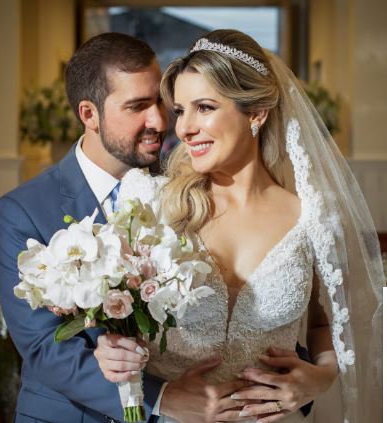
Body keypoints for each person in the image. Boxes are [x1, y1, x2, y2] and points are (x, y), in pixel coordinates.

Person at [0, 31, 314, 423]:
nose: (162, 121)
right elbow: (45, 347)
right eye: (137, 106)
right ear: (89, 114)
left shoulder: (178, 189)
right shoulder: (25, 211)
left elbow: (266, 318)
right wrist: (163, 398)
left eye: (162, 103)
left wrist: (312, 376)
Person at [96, 30, 383, 423]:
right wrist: (109, 349)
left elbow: (323, 322)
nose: (184, 128)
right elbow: (117, 321)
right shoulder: (152, 204)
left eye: (205, 107)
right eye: (180, 110)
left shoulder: (312, 217)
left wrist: (321, 376)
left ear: (257, 113)